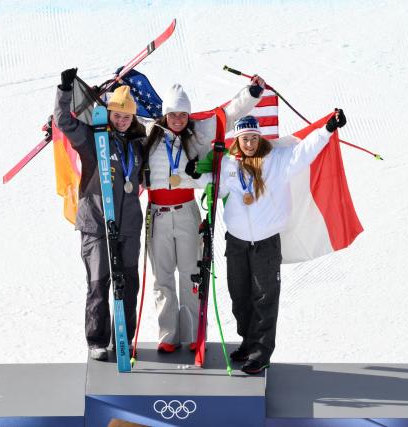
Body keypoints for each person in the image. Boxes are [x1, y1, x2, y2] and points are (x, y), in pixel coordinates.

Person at [218, 110, 347, 374]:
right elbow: (211, 185)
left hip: (265, 243)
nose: (250, 143)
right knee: (239, 296)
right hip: (237, 242)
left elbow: (305, 152)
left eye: (254, 137)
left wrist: (327, 129)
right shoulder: (227, 165)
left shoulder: (276, 160)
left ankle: (261, 352)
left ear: (259, 137)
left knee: (264, 297)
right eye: (245, 139)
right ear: (238, 140)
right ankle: (248, 341)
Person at [144, 77, 266, 353]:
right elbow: (119, 123)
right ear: (165, 113)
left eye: (182, 114)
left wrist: (252, 93)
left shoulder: (197, 132)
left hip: (186, 211)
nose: (178, 119)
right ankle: (168, 336)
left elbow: (229, 113)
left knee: (191, 274)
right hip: (157, 214)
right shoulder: (148, 133)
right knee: (161, 278)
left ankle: (191, 337)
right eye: (173, 114)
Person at [54, 68, 146, 361]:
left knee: (129, 282)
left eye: (126, 116)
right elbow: (65, 121)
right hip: (97, 223)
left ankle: (124, 338)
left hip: (129, 225)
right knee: (99, 282)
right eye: (117, 115)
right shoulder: (94, 140)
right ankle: (97, 340)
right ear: (108, 114)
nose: (121, 120)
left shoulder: (137, 145)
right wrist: (65, 90)